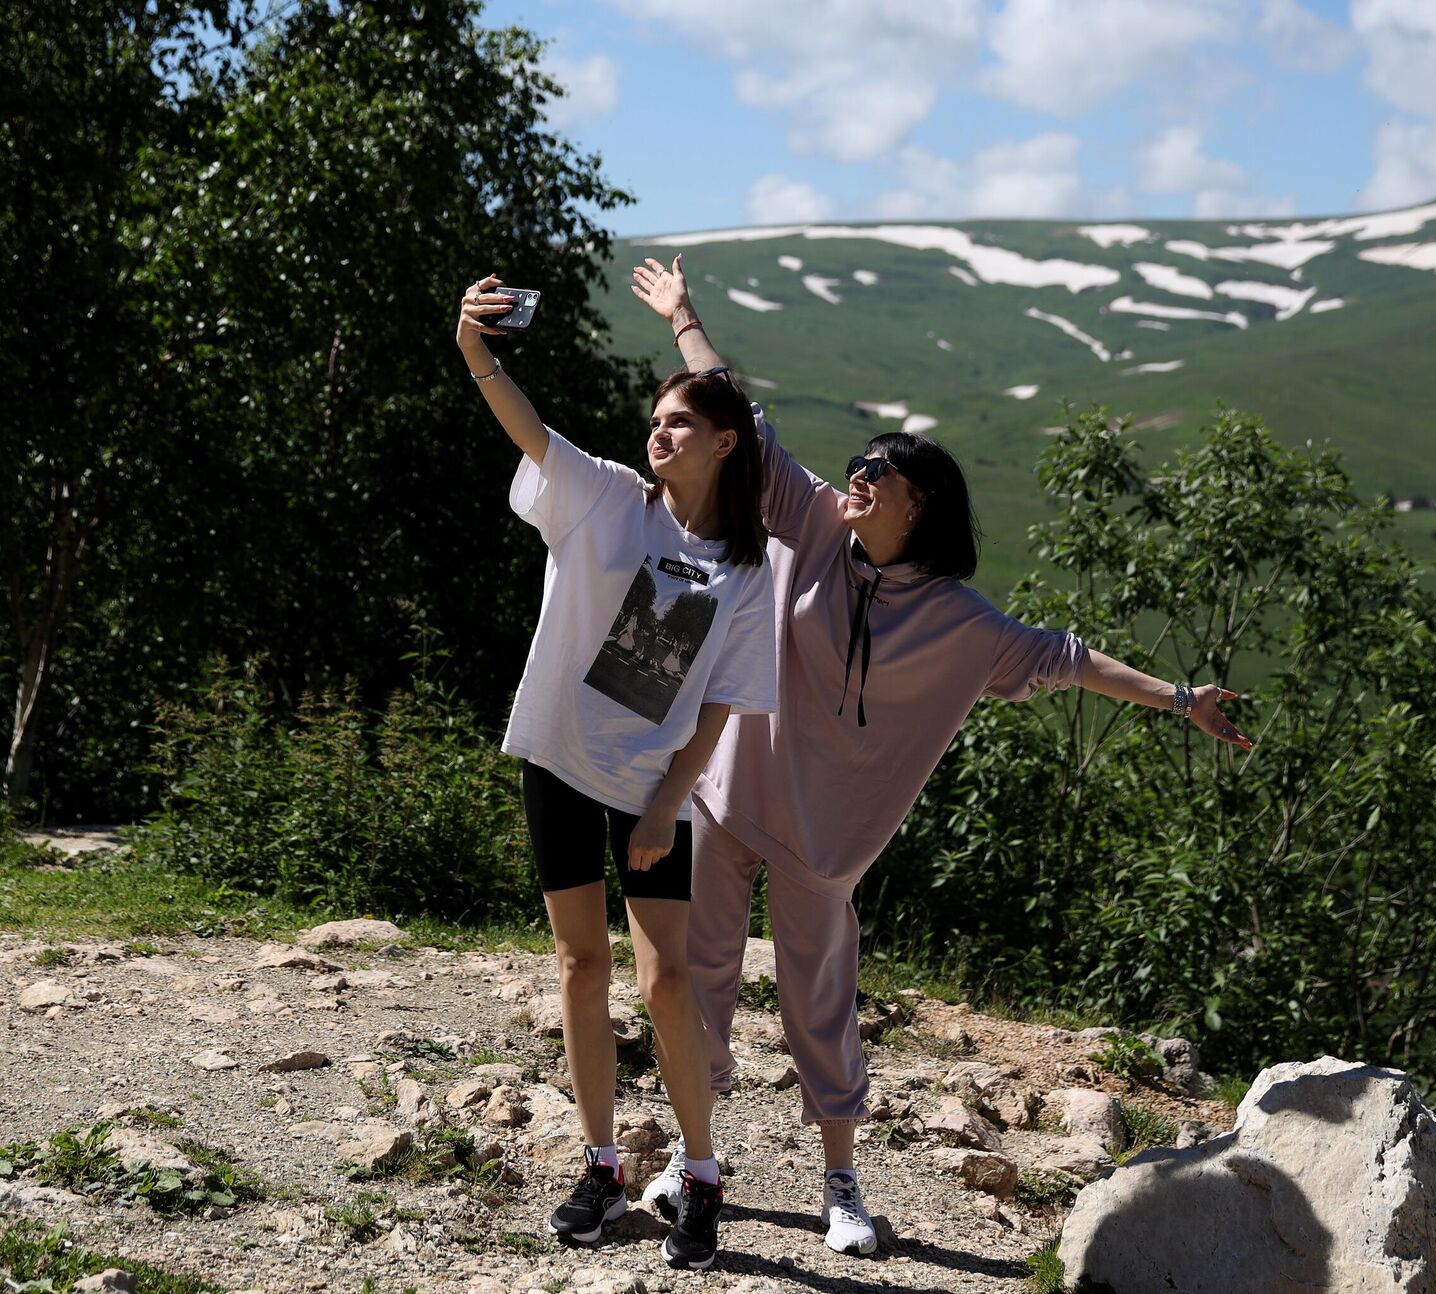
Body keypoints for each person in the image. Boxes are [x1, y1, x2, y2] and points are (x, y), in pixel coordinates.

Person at [628, 255, 1250, 1257]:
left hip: (825, 843)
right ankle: (691, 1158)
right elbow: (740, 416)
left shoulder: (962, 623)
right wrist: (686, 321)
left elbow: (1068, 659)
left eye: (882, 473)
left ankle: (840, 1183)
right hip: (729, 793)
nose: (859, 477)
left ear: (921, 507)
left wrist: (1181, 699)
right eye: (859, 465)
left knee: (818, 1005)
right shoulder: (813, 523)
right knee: (696, 981)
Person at [457, 275, 776, 1270]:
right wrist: (477, 350)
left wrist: (669, 800)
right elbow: (529, 429)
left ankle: (702, 1174)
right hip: (558, 757)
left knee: (668, 983)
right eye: (657, 419)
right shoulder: (603, 495)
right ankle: (600, 1166)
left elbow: (723, 700)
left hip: (652, 788)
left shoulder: (745, 569)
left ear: (726, 440)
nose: (662, 431)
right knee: (579, 964)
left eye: (682, 418)